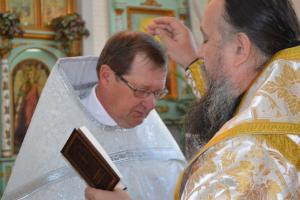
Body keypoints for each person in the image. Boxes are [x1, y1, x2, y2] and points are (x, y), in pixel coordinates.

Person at [84, 0, 300, 199]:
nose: (200, 51)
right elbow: (245, 109)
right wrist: (191, 63)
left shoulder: (245, 150)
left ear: (240, 48)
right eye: (140, 90)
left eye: (206, 38)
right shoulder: (284, 109)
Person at [2, 31, 185, 200]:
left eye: (158, 93)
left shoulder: (158, 142)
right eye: (141, 91)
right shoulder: (57, 137)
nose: (152, 105)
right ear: (106, 76)